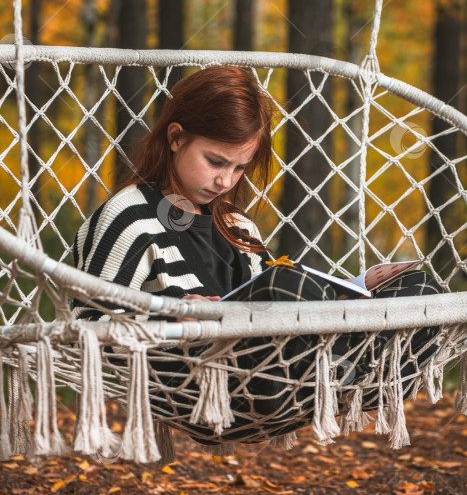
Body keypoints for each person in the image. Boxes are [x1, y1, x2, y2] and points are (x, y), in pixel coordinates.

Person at [72, 65, 442, 444]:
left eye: (239, 168)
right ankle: (351, 373)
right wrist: (173, 310)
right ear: (176, 138)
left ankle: (359, 382)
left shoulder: (237, 225)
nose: (226, 181)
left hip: (282, 379)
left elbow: (271, 294)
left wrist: (357, 288)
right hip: (199, 386)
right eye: (216, 162)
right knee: (286, 285)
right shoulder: (129, 213)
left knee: (421, 289)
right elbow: (87, 320)